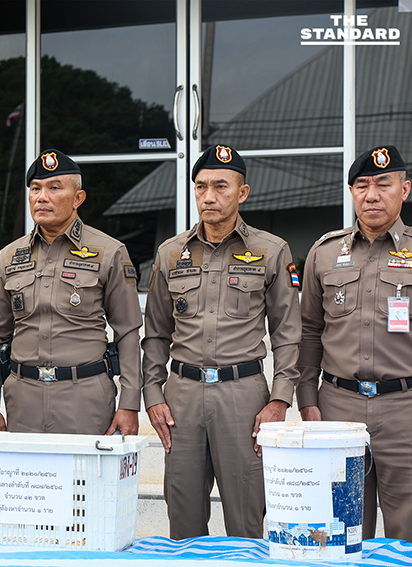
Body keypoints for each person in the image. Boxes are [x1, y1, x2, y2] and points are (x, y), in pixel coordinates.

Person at [142, 145, 301, 539]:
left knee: (247, 519)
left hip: (243, 398)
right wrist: (153, 394)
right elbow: (156, 333)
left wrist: (280, 399)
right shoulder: (170, 253)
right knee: (183, 518)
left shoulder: (271, 250)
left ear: (242, 193)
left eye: (220, 186)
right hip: (182, 397)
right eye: (201, 187)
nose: (209, 196)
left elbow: (287, 332)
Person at [298, 145, 412, 543]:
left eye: (384, 184)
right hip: (337, 408)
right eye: (361, 185)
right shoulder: (325, 252)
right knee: (341, 528)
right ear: (351, 193)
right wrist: (307, 400)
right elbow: (309, 332)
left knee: (408, 529)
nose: (372, 194)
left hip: (406, 410)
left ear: (405, 189)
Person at [0, 149, 142, 436]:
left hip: (85, 398)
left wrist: (129, 403)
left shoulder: (109, 252)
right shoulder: (8, 257)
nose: (42, 197)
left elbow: (128, 331)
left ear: (78, 198)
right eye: (35, 189)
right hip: (23, 399)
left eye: (54, 188)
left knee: (85, 481)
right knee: (28, 480)